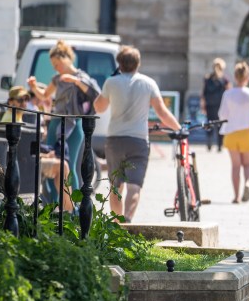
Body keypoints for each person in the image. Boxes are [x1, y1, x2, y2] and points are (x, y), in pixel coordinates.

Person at [94, 45, 181, 221]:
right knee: (134, 187)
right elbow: (162, 113)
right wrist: (178, 128)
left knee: (116, 186)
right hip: (138, 140)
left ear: (119, 63)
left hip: (115, 139)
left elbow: (99, 107)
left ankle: (117, 224)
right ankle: (127, 221)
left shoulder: (111, 82)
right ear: (138, 63)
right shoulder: (148, 83)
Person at [27, 40, 101, 192]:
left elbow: (96, 94)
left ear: (66, 59)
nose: (56, 68)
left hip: (75, 124)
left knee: (69, 164)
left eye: (57, 64)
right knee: (53, 162)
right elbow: (44, 95)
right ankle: (54, 205)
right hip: (56, 122)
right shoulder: (56, 79)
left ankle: (72, 207)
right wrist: (33, 86)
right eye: (53, 65)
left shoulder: (81, 77)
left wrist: (76, 81)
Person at [218, 61, 249, 203]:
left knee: (235, 166)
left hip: (232, 134)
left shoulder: (228, 94)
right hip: (248, 134)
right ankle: (248, 183)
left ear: (235, 77)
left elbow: (222, 115)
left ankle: (236, 196)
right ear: (248, 77)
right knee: (248, 165)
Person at [200, 58, 231, 152]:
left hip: (210, 105)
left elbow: (203, 93)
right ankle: (219, 145)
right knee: (220, 125)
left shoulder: (207, 78)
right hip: (220, 105)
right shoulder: (225, 79)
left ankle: (209, 143)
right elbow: (229, 93)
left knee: (209, 123)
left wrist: (203, 105)